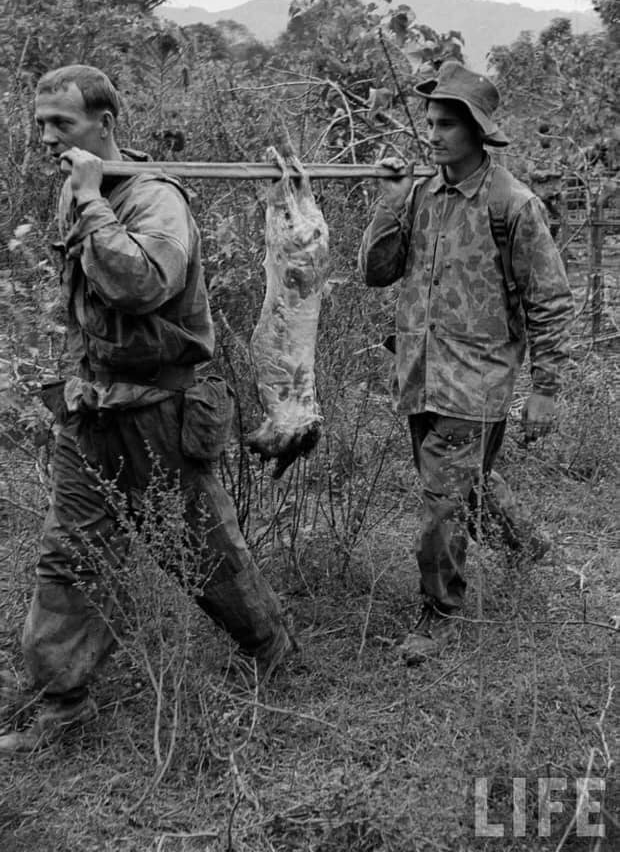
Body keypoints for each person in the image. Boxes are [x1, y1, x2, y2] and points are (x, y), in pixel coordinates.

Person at [0, 65, 291, 753]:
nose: (47, 138)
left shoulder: (155, 197)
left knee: (200, 547)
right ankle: (61, 701)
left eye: (62, 124)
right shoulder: (83, 188)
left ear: (104, 123)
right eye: (40, 124)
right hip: (92, 406)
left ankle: (271, 649)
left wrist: (91, 201)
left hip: (161, 406)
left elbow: (144, 284)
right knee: (70, 553)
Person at [358, 61, 574, 666]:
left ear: (477, 131)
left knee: (440, 506)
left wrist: (546, 388)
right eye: (430, 123)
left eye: (447, 125)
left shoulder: (513, 205)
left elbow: (550, 299)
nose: (433, 135)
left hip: (477, 381)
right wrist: (390, 205)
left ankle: (439, 613)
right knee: (461, 485)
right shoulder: (421, 195)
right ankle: (524, 544)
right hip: (420, 374)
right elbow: (375, 273)